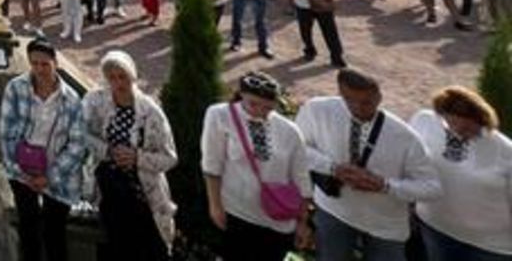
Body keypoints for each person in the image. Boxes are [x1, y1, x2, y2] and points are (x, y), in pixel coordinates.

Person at [300, 69, 439, 261]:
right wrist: (332, 167)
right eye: (349, 100)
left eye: (367, 102)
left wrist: (385, 185)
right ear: (340, 93)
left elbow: (432, 188)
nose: (358, 108)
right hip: (333, 212)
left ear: (379, 97)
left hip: (386, 226)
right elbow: (298, 150)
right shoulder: (316, 110)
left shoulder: (406, 137)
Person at [201, 72, 313, 261]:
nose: (260, 111)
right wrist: (215, 205)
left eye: (268, 107)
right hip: (238, 213)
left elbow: (302, 179)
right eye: (253, 104)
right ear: (241, 95)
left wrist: (302, 222)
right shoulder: (219, 114)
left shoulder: (289, 131)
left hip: (279, 221)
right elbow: (212, 165)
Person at [82, 50, 176, 261]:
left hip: (143, 194)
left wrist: (138, 158)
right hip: (109, 191)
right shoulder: (95, 101)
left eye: (122, 76)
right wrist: (106, 150)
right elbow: (80, 133)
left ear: (132, 76)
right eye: (112, 77)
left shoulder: (150, 111)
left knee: (149, 250)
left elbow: (169, 157)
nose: (118, 83)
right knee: (116, 247)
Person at [0, 38, 87, 261]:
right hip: (23, 171)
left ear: (55, 63)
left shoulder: (71, 100)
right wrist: (22, 173)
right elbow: (6, 133)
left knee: (54, 233)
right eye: (34, 64)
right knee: (28, 229)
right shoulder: (16, 88)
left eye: (44, 64)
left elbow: (77, 144)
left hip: (60, 174)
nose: (39, 69)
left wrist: (50, 176)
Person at [409, 86, 512, 261]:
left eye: (467, 129)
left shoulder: (505, 152)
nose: (458, 132)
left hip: (489, 247)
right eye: (452, 125)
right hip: (434, 228)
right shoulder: (424, 121)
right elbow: (410, 164)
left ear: (482, 121)